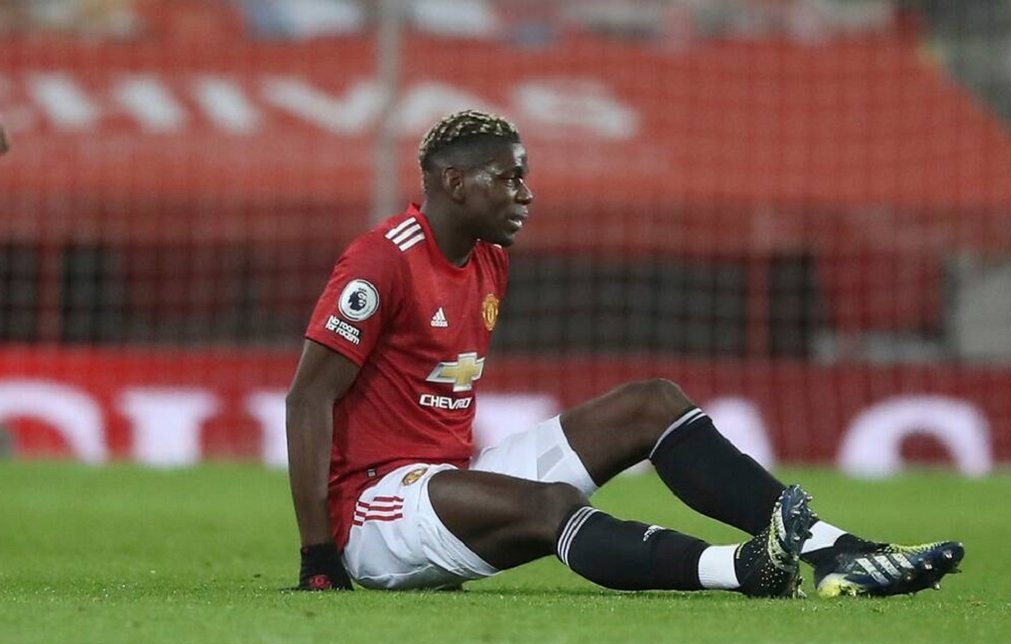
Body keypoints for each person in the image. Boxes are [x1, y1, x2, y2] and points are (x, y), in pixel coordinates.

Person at [286, 109, 964, 598]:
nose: (527, 192)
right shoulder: (382, 261)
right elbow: (308, 397)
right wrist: (320, 554)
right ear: (457, 183)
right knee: (552, 505)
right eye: (510, 177)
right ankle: (743, 569)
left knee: (652, 403)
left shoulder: (489, 259)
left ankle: (838, 552)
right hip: (373, 512)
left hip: (447, 480)